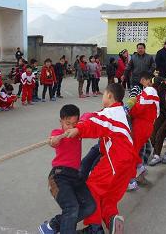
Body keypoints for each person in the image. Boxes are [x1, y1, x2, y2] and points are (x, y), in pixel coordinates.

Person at [65, 83, 137, 234]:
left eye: (104, 94)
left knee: (92, 188)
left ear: (109, 95)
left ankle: (94, 228)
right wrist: (82, 122)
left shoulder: (110, 113)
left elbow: (94, 122)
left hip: (116, 159)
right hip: (128, 162)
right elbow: (95, 116)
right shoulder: (119, 111)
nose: (102, 97)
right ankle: (112, 220)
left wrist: (78, 129)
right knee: (109, 196)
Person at [38, 104, 96, 234]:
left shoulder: (78, 131)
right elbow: (54, 141)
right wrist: (56, 139)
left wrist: (80, 126)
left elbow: (88, 116)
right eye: (67, 123)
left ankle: (53, 225)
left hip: (76, 177)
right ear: (61, 121)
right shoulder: (57, 133)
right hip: (59, 176)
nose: (70, 127)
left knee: (90, 206)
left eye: (74, 123)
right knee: (72, 207)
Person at [125, 72, 161, 191]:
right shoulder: (149, 91)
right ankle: (140, 168)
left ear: (148, 80)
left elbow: (138, 109)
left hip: (142, 124)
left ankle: (131, 181)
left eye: (143, 79)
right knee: (135, 150)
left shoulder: (149, 91)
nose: (141, 80)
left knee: (132, 152)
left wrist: (129, 109)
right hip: (145, 124)